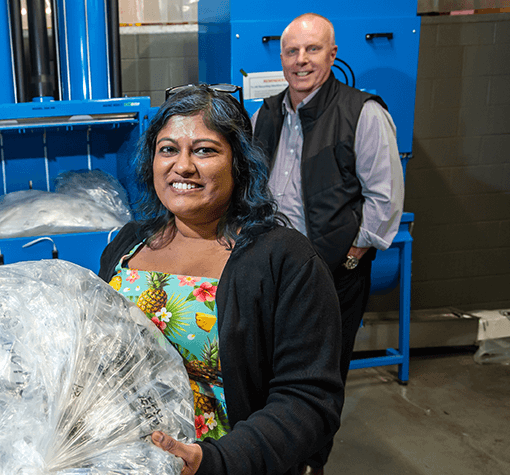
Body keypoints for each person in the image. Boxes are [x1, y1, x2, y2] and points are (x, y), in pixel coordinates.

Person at [98, 84, 344, 475]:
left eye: (204, 150)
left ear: (239, 163)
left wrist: (216, 460)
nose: (183, 166)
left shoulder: (285, 260)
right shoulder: (128, 244)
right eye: (168, 149)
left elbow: (309, 400)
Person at [250, 13, 405, 471]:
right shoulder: (266, 114)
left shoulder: (363, 113)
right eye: (292, 52)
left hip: (333, 275)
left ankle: (312, 462)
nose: (301, 61)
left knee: (319, 380)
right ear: (281, 59)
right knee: (268, 372)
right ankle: (273, 454)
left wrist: (355, 253)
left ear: (332, 54)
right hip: (274, 271)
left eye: (312, 50)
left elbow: (384, 197)